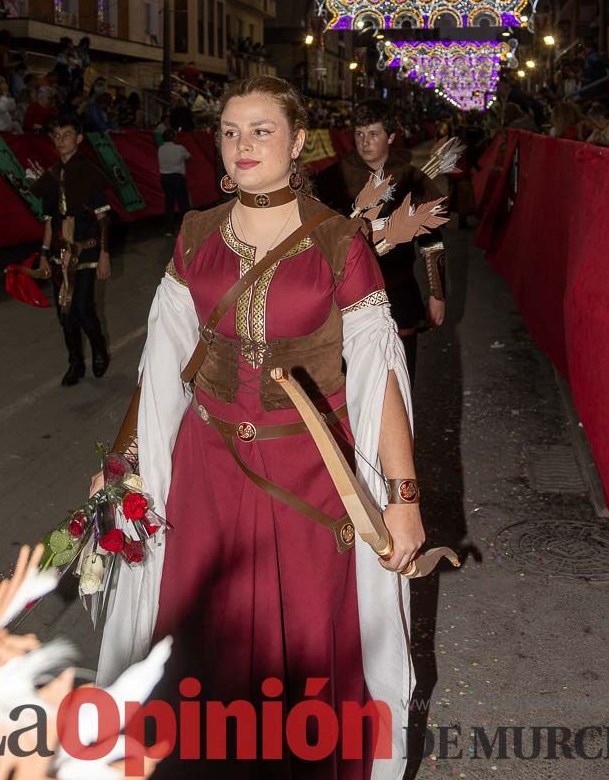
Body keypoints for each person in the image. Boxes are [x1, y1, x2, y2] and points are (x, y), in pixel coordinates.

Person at [95, 76, 421, 778]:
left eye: (262, 131)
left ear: (298, 140)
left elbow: (378, 372)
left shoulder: (339, 242)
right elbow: (163, 365)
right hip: (207, 474)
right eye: (231, 132)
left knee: (307, 638)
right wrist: (122, 462)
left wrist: (403, 497)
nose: (243, 146)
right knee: (200, 641)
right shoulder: (197, 233)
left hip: (310, 476)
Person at [339, 100, 446, 382]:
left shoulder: (412, 178)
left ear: (391, 137)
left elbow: (432, 242)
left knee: (399, 378)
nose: (365, 142)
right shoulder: (334, 178)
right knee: (352, 381)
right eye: (359, 134)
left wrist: (437, 293)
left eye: (373, 134)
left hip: (397, 291)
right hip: (349, 296)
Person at [31, 116, 112, 386]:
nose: (60, 140)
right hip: (59, 255)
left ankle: (99, 350)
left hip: (87, 252)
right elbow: (49, 223)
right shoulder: (50, 177)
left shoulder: (90, 173)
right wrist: (43, 254)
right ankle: (75, 363)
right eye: (55, 135)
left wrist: (104, 254)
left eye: (66, 134)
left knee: (83, 309)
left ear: (79, 138)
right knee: (64, 314)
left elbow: (103, 218)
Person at [157, 126, 191, 236]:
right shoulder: (179, 148)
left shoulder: (160, 149)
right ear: (173, 137)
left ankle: (169, 229)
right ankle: (186, 228)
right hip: (177, 178)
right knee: (183, 203)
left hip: (165, 178)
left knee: (169, 204)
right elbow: (189, 157)